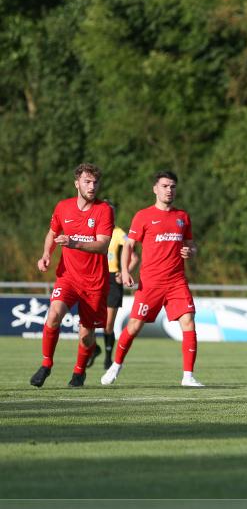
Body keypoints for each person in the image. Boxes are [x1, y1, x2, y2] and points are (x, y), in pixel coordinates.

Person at [101, 171, 202, 387]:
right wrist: (126, 271)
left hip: (176, 281)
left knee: (188, 321)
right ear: (155, 189)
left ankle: (188, 376)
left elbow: (191, 245)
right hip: (151, 283)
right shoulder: (143, 216)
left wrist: (190, 252)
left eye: (172, 186)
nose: (169, 190)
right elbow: (129, 245)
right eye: (165, 186)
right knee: (135, 326)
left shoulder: (182, 217)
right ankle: (116, 365)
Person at [30, 163, 113, 388]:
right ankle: (46, 364)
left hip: (95, 283)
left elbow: (103, 246)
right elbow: (52, 232)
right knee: (54, 315)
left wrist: (73, 242)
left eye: (95, 182)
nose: (92, 186)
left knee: (86, 335)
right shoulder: (63, 207)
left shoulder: (104, 210)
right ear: (77, 183)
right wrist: (46, 253)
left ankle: (79, 373)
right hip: (67, 277)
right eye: (87, 181)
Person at [90, 201, 140, 370]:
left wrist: (124, 272)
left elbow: (134, 257)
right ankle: (93, 348)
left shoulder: (119, 233)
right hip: (94, 278)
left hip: (112, 279)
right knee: (87, 322)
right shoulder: (92, 231)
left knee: (108, 324)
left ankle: (108, 358)